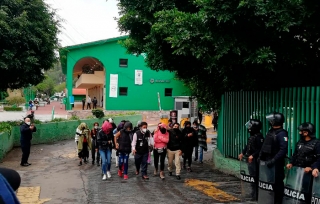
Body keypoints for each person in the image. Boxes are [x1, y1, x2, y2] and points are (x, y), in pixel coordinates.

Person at [259, 112, 288, 204]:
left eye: (271, 120)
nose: (270, 122)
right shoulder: (271, 131)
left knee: (277, 183)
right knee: (269, 182)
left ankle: (278, 201)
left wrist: (274, 160)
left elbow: (283, 150)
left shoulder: (282, 134)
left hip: (276, 162)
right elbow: (265, 145)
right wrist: (260, 156)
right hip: (268, 160)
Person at [287, 122, 320, 194]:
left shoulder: (317, 143)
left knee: (309, 192)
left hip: (310, 174)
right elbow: (295, 154)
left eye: (301, 131)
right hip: (299, 172)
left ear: (306, 133)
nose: (299, 133)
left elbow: (319, 158)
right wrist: (291, 163)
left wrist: (312, 168)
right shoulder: (300, 142)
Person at [238, 119, 264, 201]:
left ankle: (256, 195)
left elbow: (260, 149)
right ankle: (253, 193)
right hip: (250, 160)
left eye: (250, 126)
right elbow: (247, 145)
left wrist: (253, 155)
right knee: (252, 177)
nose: (249, 127)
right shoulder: (252, 136)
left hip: (256, 161)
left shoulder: (259, 137)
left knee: (255, 177)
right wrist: (242, 152)